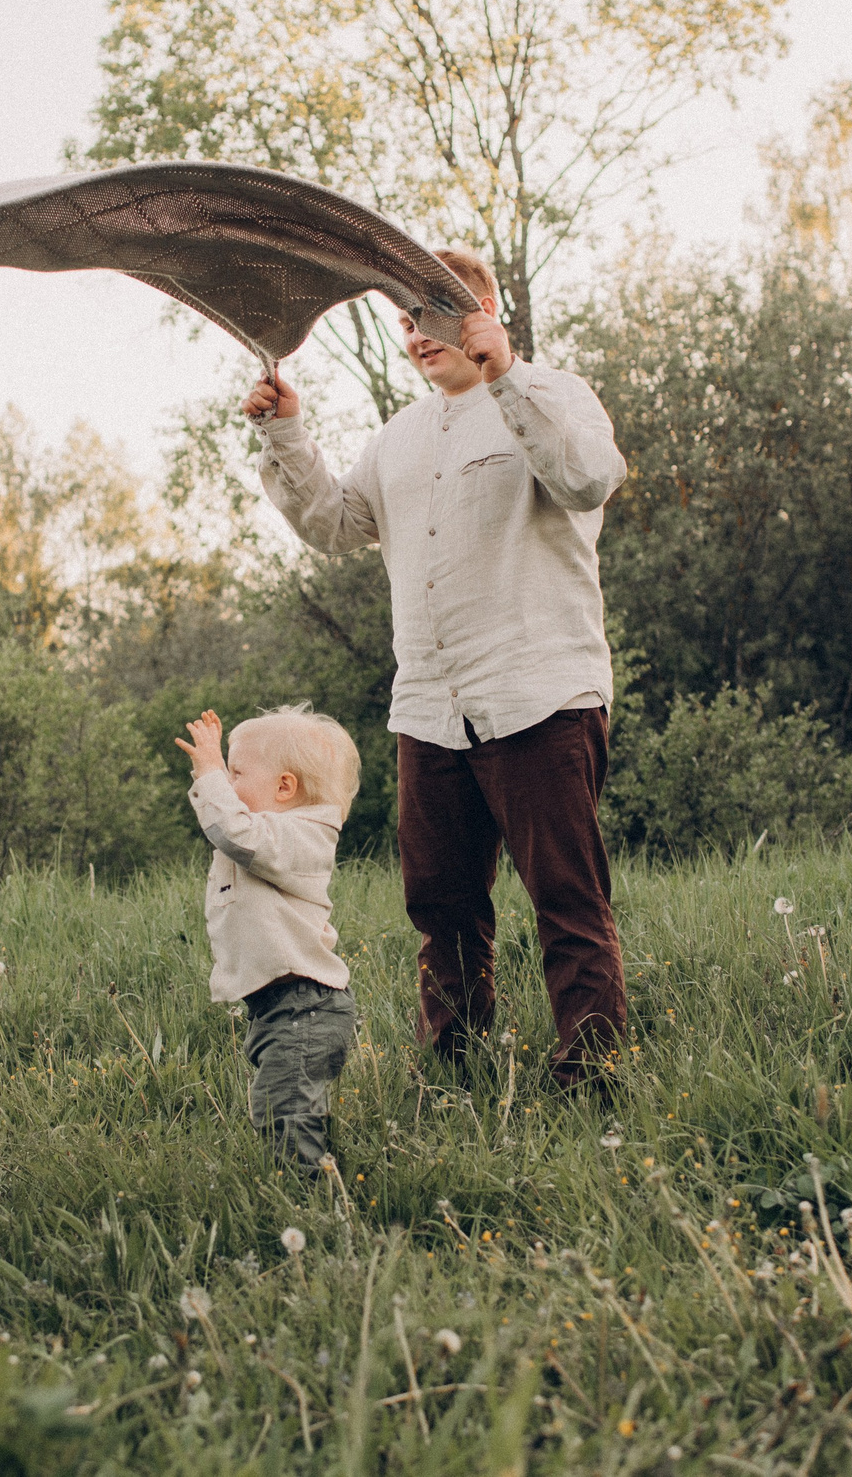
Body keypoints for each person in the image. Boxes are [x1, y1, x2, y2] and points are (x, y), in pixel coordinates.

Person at [240, 250, 630, 1091]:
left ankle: (593, 1073)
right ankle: (457, 1066)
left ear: (483, 307)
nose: (419, 336)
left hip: (539, 693)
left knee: (567, 900)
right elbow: (336, 524)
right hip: (428, 707)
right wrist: (285, 430)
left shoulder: (553, 392)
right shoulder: (400, 436)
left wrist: (505, 375)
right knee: (441, 906)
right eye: (406, 322)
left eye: (433, 315)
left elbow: (589, 477)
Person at [175, 706, 359, 1171]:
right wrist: (221, 774)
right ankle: (310, 1176)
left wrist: (211, 772)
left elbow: (232, 831)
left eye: (237, 773)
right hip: (281, 1005)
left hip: (306, 1005)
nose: (226, 782)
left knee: (286, 1110)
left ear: (284, 787)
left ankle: (308, 1198)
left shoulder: (303, 837)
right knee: (281, 1103)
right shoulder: (272, 834)